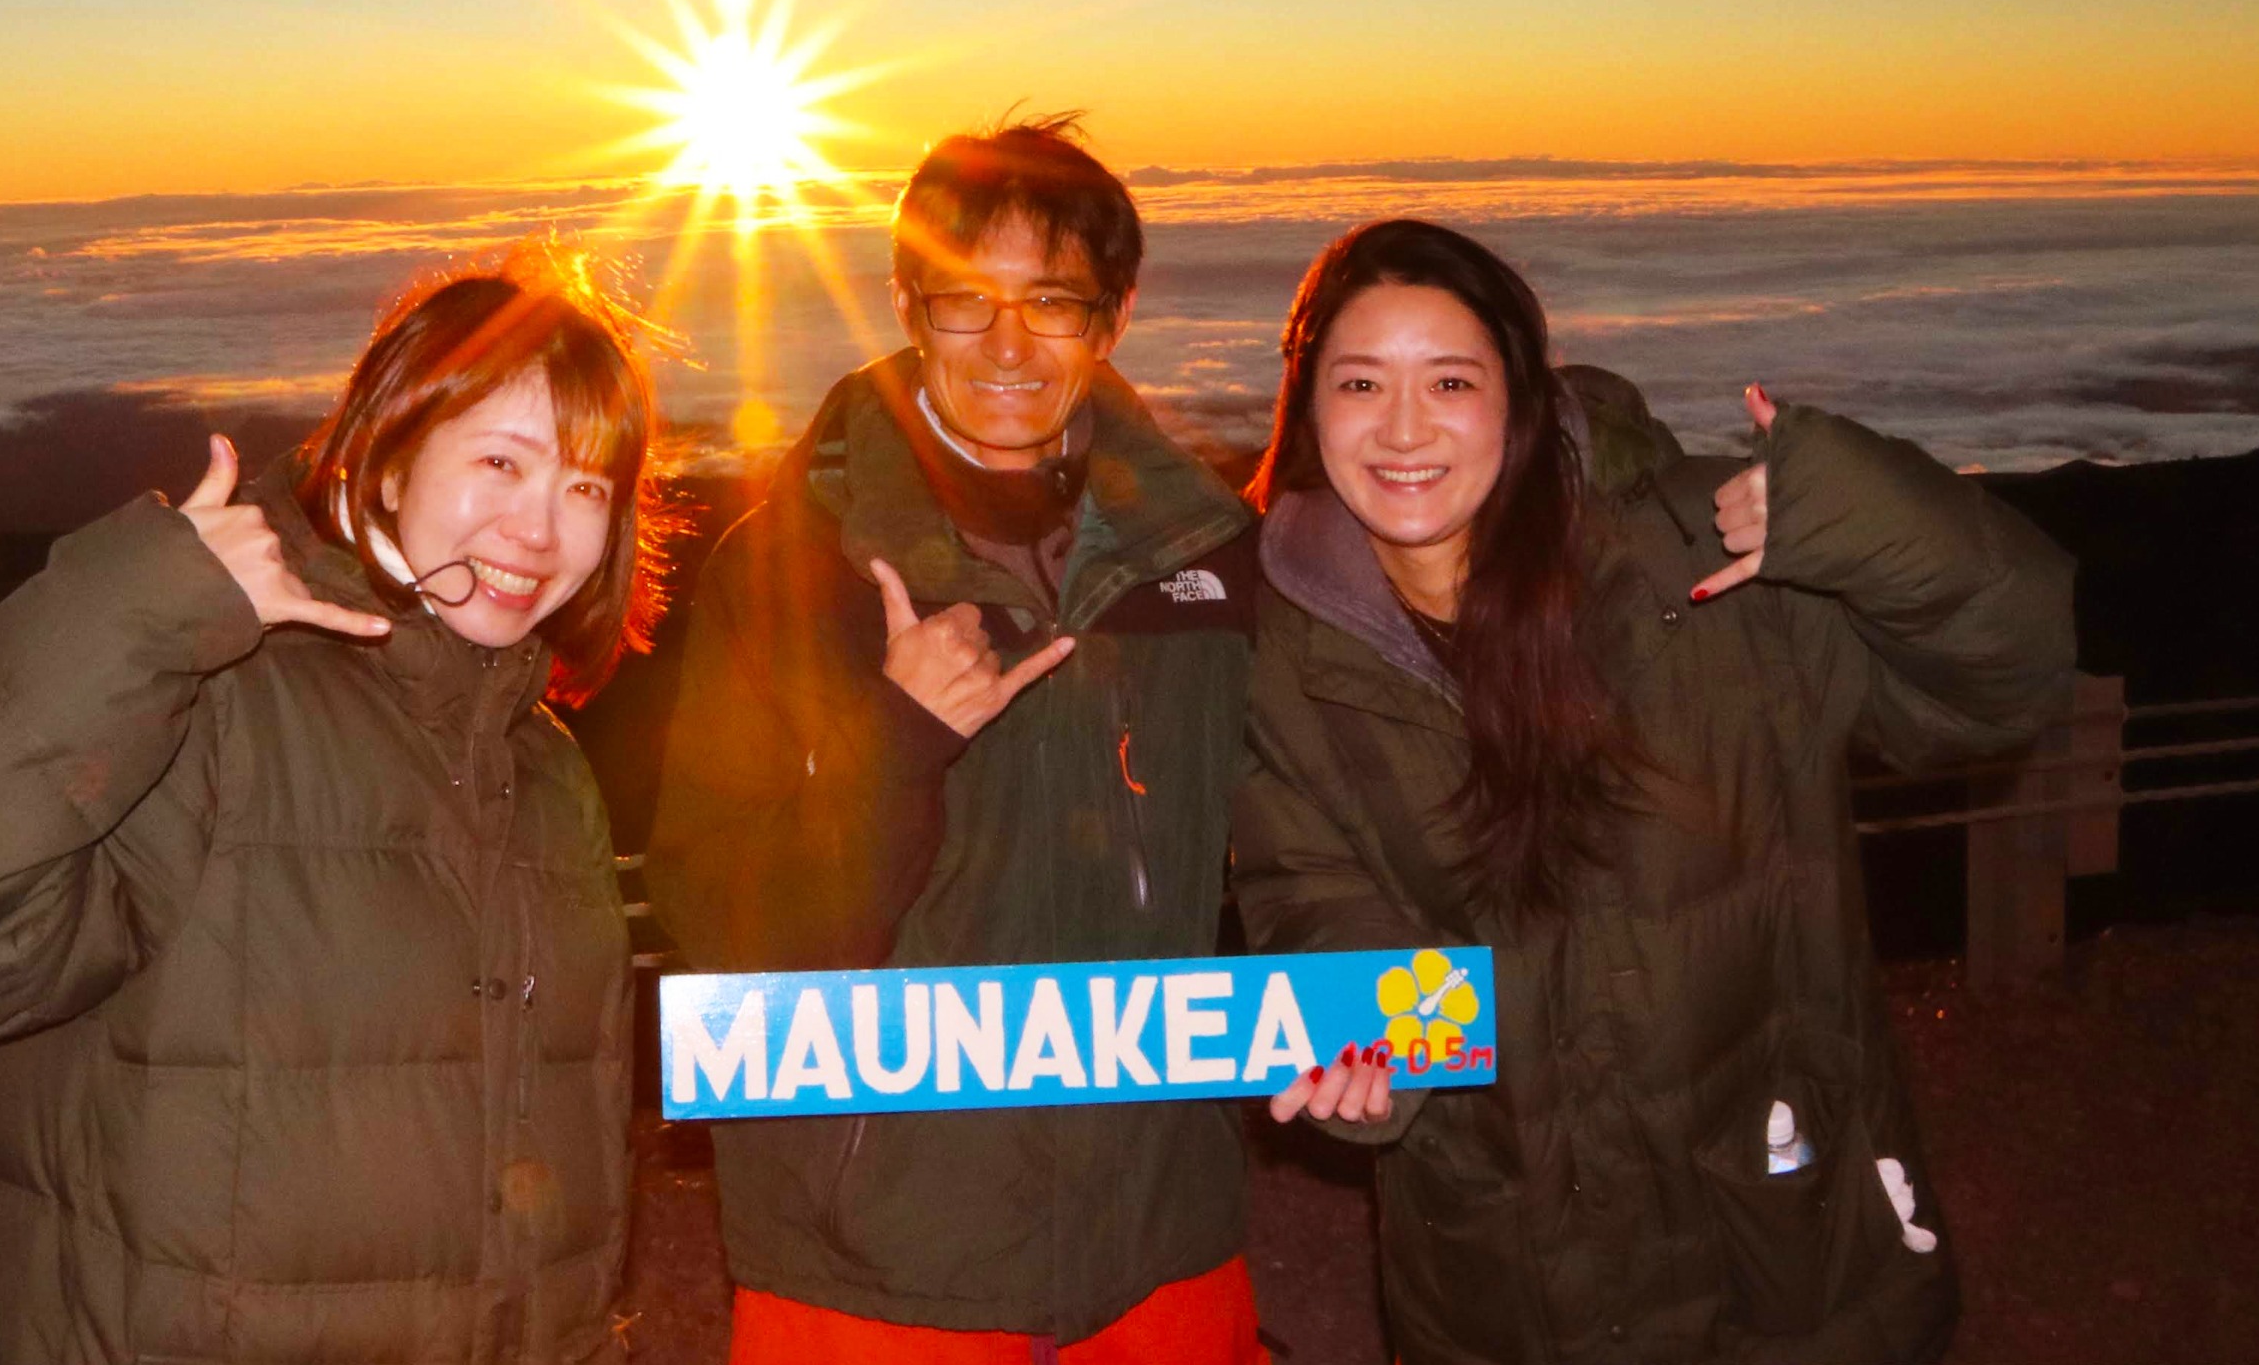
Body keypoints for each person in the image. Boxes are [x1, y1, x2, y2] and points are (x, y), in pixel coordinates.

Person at [1232, 218, 2076, 1365]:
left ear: (1521, 397)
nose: (1404, 426)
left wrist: (1859, 522)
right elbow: (1307, 878)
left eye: (1452, 380)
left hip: (1780, 1226)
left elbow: (2005, 679)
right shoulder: (1288, 644)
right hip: (1506, 1263)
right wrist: (1365, 1041)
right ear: (1309, 405)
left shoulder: (1695, 557)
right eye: (1362, 381)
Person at [0, 247, 664, 1365]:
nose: (541, 529)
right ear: (385, 457)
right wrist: (139, 609)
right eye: (504, 462)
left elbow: (557, 1152)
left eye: (586, 487)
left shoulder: (548, 771)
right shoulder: (218, 696)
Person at [648, 115, 1272, 1363]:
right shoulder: (788, 570)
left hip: (1159, 1246)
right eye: (961, 302)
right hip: (874, 1268)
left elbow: (1299, 836)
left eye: (1050, 302)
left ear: (1113, 316)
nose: (1004, 345)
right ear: (905, 305)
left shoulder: (1205, 560)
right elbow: (721, 921)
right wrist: (898, 742)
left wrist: (1363, 1022)